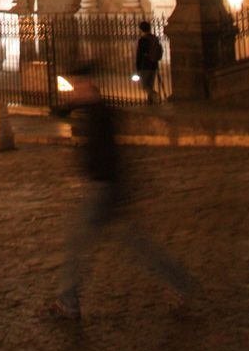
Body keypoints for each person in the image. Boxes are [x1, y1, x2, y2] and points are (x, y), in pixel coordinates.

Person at [50, 68, 193, 323]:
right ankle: (182, 282)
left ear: (90, 87)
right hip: (109, 190)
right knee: (140, 246)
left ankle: (67, 301)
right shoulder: (94, 110)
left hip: (103, 190)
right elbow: (62, 112)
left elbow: (106, 155)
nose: (75, 92)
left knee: (75, 243)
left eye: (79, 87)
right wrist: (70, 104)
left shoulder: (101, 114)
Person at [134, 20, 163, 104]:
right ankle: (150, 102)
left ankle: (155, 95)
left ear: (141, 29)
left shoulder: (142, 40)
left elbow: (139, 54)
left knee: (145, 86)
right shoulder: (154, 38)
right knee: (150, 84)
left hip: (145, 65)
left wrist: (138, 67)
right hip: (154, 64)